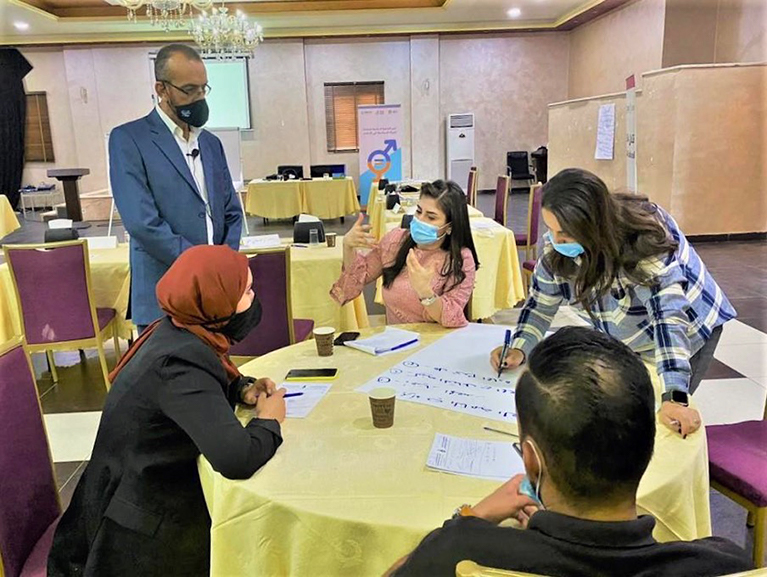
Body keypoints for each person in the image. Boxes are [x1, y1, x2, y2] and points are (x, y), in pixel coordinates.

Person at [389, 327, 753, 577]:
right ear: (648, 445)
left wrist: (473, 515)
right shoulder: (723, 563)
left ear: (532, 461)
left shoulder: (463, 550)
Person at [47, 245, 285, 577]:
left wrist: (240, 387)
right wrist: (269, 420)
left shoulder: (175, 330)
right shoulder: (180, 363)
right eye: (246, 291)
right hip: (136, 536)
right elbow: (236, 459)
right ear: (215, 300)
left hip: (122, 494)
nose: (254, 297)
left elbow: (195, 390)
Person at [491, 168, 736, 438]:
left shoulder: (644, 238)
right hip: (629, 328)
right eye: (552, 230)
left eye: (566, 234)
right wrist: (519, 347)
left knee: (665, 416)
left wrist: (675, 396)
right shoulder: (557, 246)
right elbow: (539, 304)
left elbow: (668, 319)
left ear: (594, 225)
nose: (557, 241)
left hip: (689, 325)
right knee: (629, 406)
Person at [110, 43, 243, 333]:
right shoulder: (128, 139)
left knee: (217, 375)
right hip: (164, 294)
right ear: (162, 89)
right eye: (189, 90)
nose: (198, 98)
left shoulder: (210, 143)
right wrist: (201, 266)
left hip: (214, 296)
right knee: (169, 377)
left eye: (203, 89)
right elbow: (142, 223)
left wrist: (223, 264)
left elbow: (232, 212)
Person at [331, 180, 479, 328]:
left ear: (449, 227)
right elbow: (354, 283)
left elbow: (452, 317)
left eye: (431, 217)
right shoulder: (396, 241)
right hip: (396, 341)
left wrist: (425, 292)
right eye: (419, 211)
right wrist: (348, 247)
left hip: (436, 343)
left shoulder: (461, 260)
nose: (420, 220)